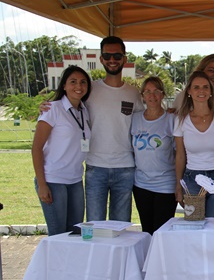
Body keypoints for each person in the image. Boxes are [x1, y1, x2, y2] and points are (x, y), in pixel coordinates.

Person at [83, 36, 144, 222]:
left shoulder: (133, 93)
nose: (112, 60)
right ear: (101, 59)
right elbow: (65, 104)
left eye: (117, 56)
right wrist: (46, 106)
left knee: (120, 227)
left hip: (125, 168)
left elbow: (145, 121)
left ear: (124, 59)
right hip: (95, 167)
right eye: (107, 56)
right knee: (95, 225)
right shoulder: (89, 89)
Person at [31, 66, 92, 235]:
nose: (78, 86)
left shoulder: (84, 110)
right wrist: (42, 184)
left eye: (83, 82)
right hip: (53, 179)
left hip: (75, 180)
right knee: (58, 234)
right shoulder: (52, 109)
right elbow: (36, 148)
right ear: (64, 85)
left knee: (75, 233)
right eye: (73, 82)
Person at [174, 71, 214, 217]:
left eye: (205, 87)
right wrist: (178, 184)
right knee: (195, 225)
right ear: (189, 91)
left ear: (211, 92)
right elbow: (180, 155)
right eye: (196, 87)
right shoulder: (181, 120)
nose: (201, 91)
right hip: (192, 179)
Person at [131, 76, 177, 234]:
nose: (152, 95)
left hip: (166, 184)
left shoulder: (171, 119)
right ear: (142, 95)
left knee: (161, 232)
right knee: (147, 231)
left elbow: (180, 153)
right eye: (147, 92)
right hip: (141, 184)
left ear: (163, 94)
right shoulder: (135, 118)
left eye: (156, 91)